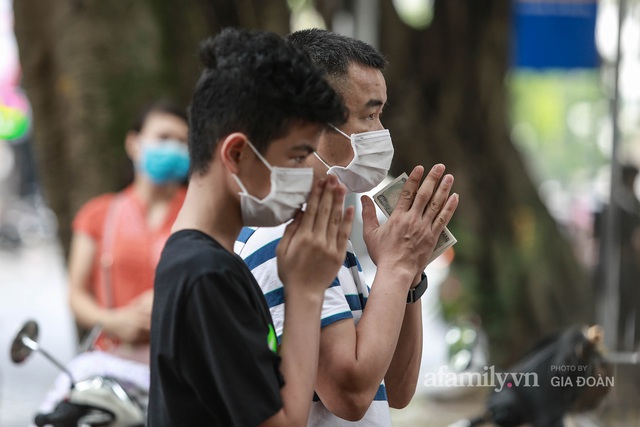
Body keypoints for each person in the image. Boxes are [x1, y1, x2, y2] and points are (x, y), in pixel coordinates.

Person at [234, 29, 459, 425]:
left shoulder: (323, 234)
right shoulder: (282, 239)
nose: (381, 133)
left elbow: (398, 387)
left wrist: (409, 276)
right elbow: (350, 395)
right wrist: (396, 266)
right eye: (369, 115)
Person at [148, 28, 354, 427]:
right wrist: (307, 291)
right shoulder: (206, 276)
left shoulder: (206, 263)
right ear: (237, 152)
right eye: (297, 157)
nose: (309, 177)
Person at [68, 100, 189, 363]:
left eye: (182, 142)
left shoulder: (199, 211)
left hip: (182, 361)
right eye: (163, 137)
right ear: (133, 143)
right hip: (114, 360)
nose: (174, 148)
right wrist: (112, 321)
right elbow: (76, 294)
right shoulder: (97, 214)